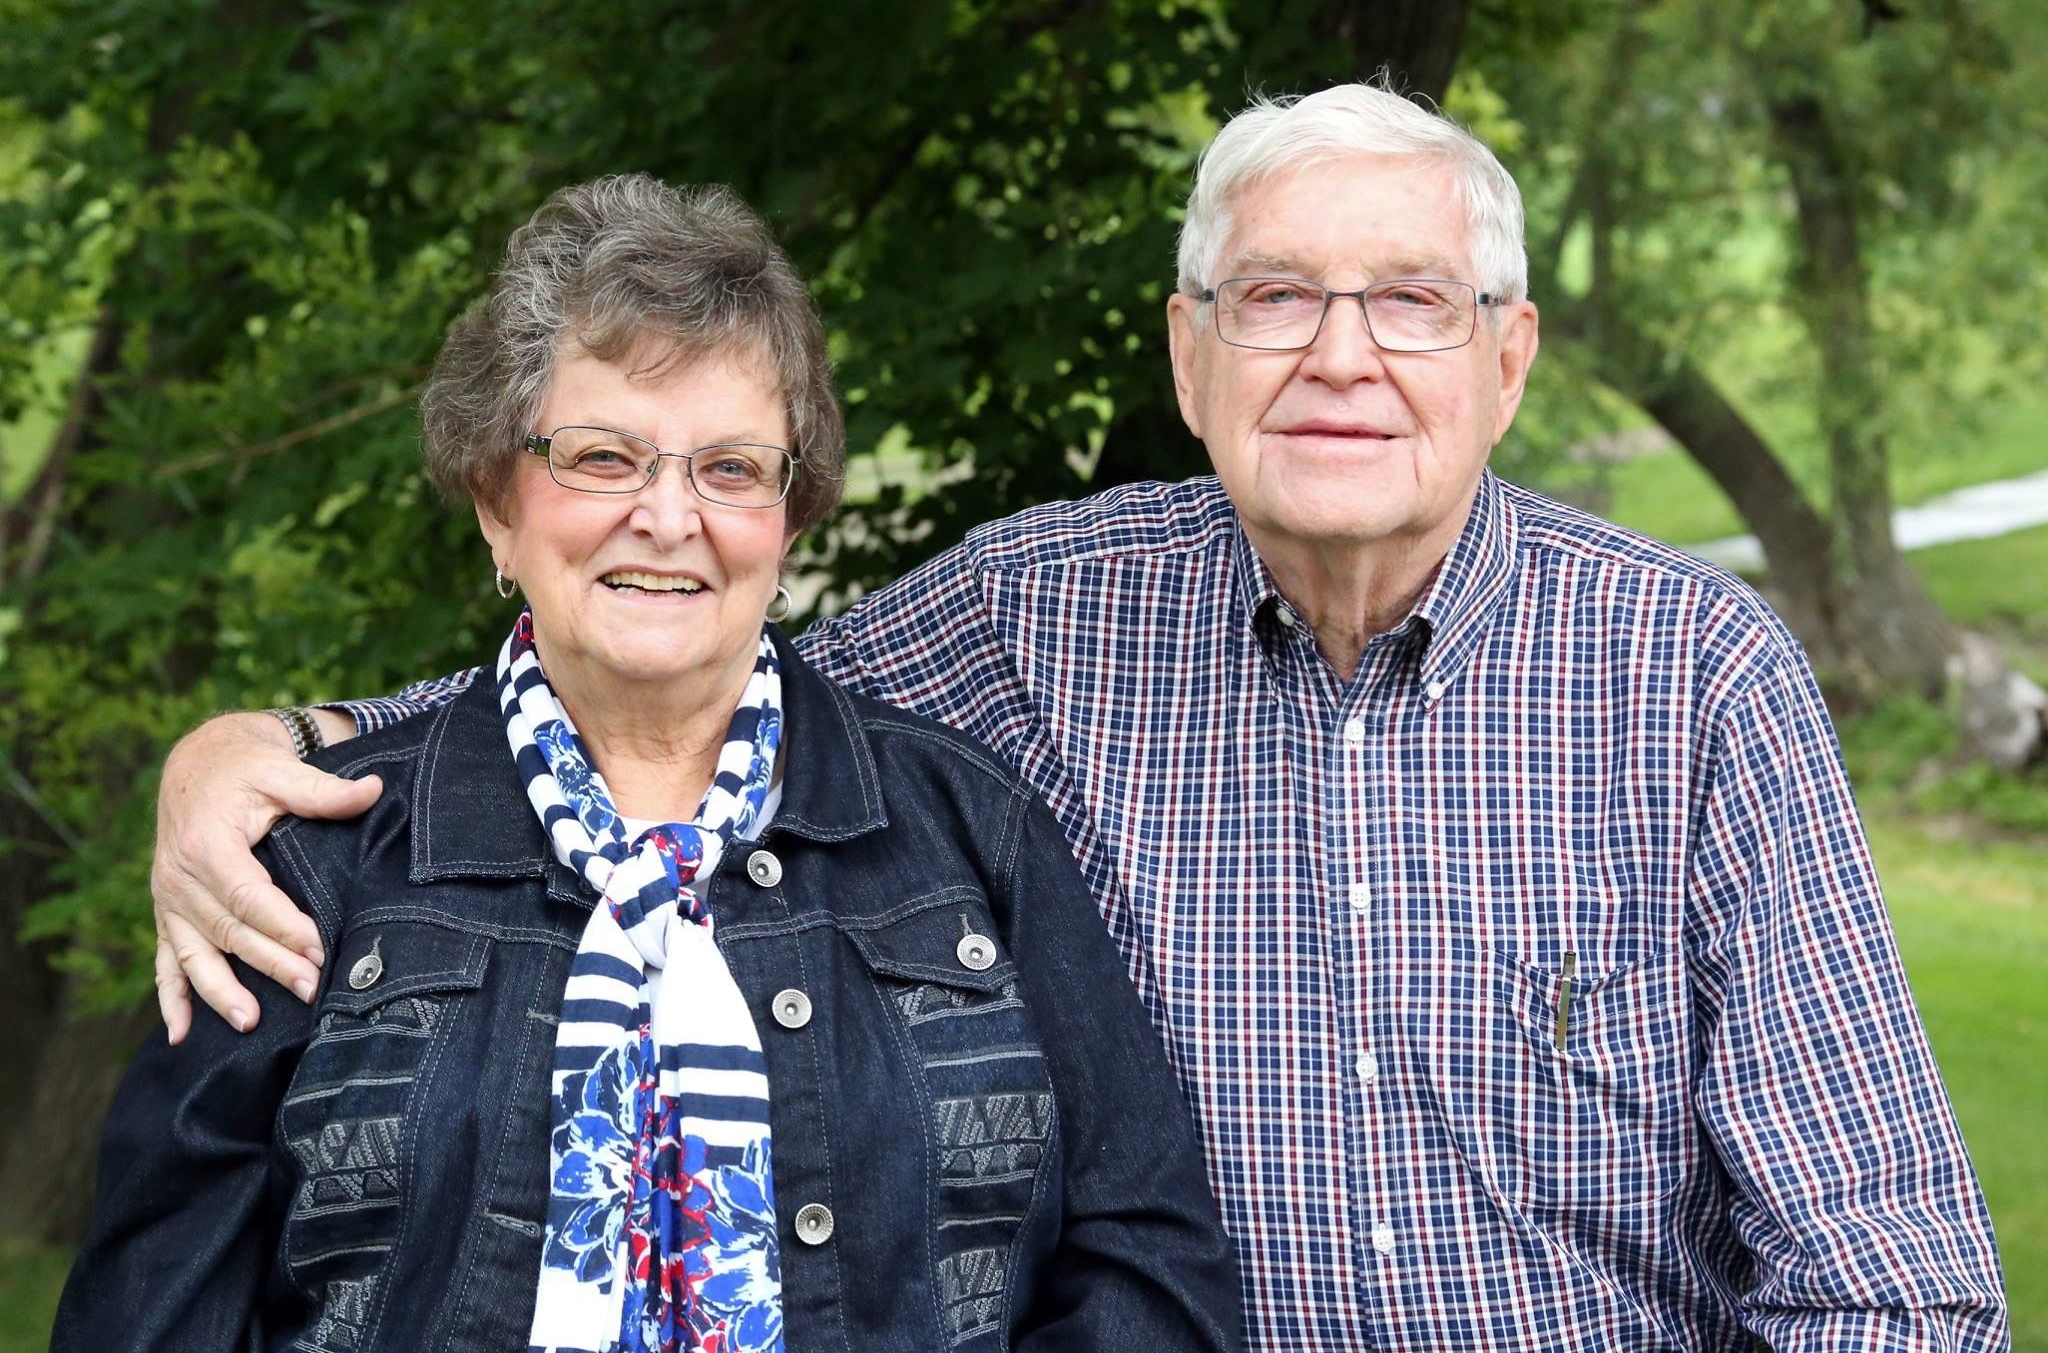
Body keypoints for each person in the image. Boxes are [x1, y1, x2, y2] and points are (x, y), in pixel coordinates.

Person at [147, 84, 2010, 1349]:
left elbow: (1886, 1284)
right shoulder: (1041, 621)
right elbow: (668, 649)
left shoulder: (1690, 683)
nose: (1337, 356)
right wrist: (271, 752)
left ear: (1506, 356)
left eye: (1412, 304)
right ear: (1189, 354)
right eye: (1272, 296)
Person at [56, 175, 1241, 1353]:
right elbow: (154, 1310)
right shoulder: (315, 861)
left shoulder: (966, 831)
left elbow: (1145, 1263)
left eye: (730, 469)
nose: (669, 517)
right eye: (603, 458)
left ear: (790, 520)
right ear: (495, 502)